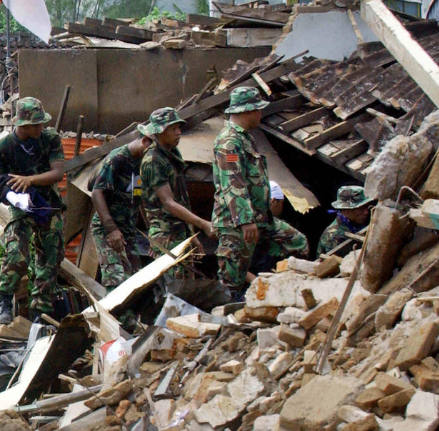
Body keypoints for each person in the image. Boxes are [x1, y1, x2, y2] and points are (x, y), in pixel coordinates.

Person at [213, 87, 309, 298]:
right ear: (247, 111)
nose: (260, 114)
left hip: (260, 218)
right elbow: (232, 182)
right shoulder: (229, 142)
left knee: (296, 242)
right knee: (232, 280)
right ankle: (228, 320)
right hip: (236, 223)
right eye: (257, 110)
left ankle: (277, 288)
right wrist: (245, 220)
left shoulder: (246, 138)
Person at [0, 96, 66, 325]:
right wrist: (14, 196)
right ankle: (4, 302)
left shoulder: (50, 139)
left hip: (48, 203)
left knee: (50, 257)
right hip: (21, 207)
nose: (41, 127)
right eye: (37, 124)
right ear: (22, 125)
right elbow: (2, 185)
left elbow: (58, 173)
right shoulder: (2, 151)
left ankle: (40, 313)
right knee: (16, 253)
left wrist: (30, 180)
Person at [139, 107, 214, 277]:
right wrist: (203, 224)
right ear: (160, 132)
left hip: (180, 233)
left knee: (187, 287)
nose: (178, 133)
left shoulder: (171, 154)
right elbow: (169, 203)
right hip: (166, 237)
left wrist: (191, 234)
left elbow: (180, 199)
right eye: (173, 129)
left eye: (179, 128)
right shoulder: (153, 160)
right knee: (173, 291)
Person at [90, 135, 154, 288]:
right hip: (108, 230)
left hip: (128, 231)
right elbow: (97, 192)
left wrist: (150, 231)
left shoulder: (141, 161)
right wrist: (111, 229)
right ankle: (113, 313)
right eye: (152, 150)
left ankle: (131, 313)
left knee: (136, 282)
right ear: (144, 140)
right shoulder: (118, 159)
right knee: (116, 281)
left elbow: (137, 197)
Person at [317, 185, 375, 256]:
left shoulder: (356, 223)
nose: (366, 212)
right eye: (361, 209)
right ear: (346, 210)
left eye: (366, 206)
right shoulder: (334, 237)